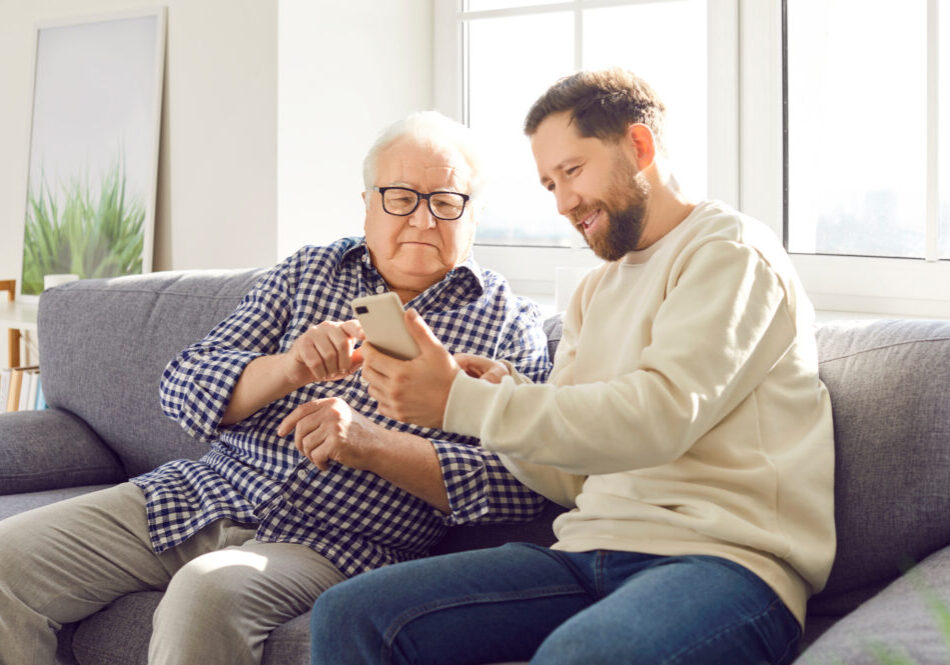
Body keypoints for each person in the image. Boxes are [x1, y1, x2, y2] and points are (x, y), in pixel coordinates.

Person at [309, 68, 836, 665]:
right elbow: (574, 479)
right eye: (548, 185)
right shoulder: (594, 290)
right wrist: (494, 399)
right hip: (588, 552)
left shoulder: (729, 254)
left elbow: (660, 416)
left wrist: (462, 400)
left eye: (573, 172)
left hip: (725, 562)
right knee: (353, 614)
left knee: (584, 653)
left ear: (639, 147)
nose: (564, 203)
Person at [0, 111, 552, 665]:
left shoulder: (510, 324)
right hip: (197, 496)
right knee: (6, 560)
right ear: (366, 204)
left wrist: (371, 446)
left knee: (205, 592)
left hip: (335, 542)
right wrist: (288, 367)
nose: (423, 220)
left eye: (446, 201)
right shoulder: (310, 271)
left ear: (474, 213)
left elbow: (522, 484)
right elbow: (182, 384)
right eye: (400, 197)